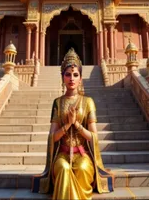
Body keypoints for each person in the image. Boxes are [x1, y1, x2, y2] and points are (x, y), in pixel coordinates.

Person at [32, 48, 114, 199]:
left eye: (75, 75)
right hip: (62, 155)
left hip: (82, 154)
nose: (71, 78)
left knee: (82, 169)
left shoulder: (88, 102)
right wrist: (67, 125)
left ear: (81, 78)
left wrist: (76, 124)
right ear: (62, 77)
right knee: (63, 169)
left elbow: (93, 137)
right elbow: (52, 137)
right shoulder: (57, 103)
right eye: (68, 74)